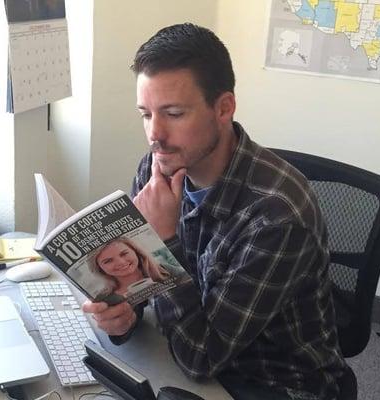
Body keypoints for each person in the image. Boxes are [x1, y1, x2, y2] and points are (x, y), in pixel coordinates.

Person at [82, 23, 347, 400]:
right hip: (184, 351)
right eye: (146, 114)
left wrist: (162, 243)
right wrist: (123, 317)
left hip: (273, 383)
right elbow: (141, 287)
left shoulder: (277, 214)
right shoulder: (157, 168)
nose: (155, 134)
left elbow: (201, 358)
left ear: (223, 108)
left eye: (173, 113)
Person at [90, 236, 170, 296]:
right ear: (99, 268)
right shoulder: (104, 298)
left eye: (124, 254)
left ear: (136, 252)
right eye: (108, 261)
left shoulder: (165, 269)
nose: (121, 262)